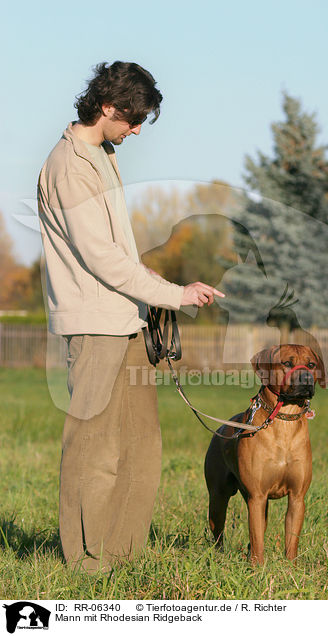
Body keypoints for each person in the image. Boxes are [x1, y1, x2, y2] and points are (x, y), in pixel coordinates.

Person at [37, 61, 224, 574]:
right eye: (133, 117)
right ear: (106, 106)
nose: (138, 128)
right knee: (93, 449)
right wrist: (174, 292)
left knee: (141, 447)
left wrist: (155, 298)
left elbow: (117, 251)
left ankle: (123, 556)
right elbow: (100, 257)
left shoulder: (103, 154)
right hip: (93, 325)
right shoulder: (70, 165)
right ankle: (86, 564)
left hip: (127, 320)